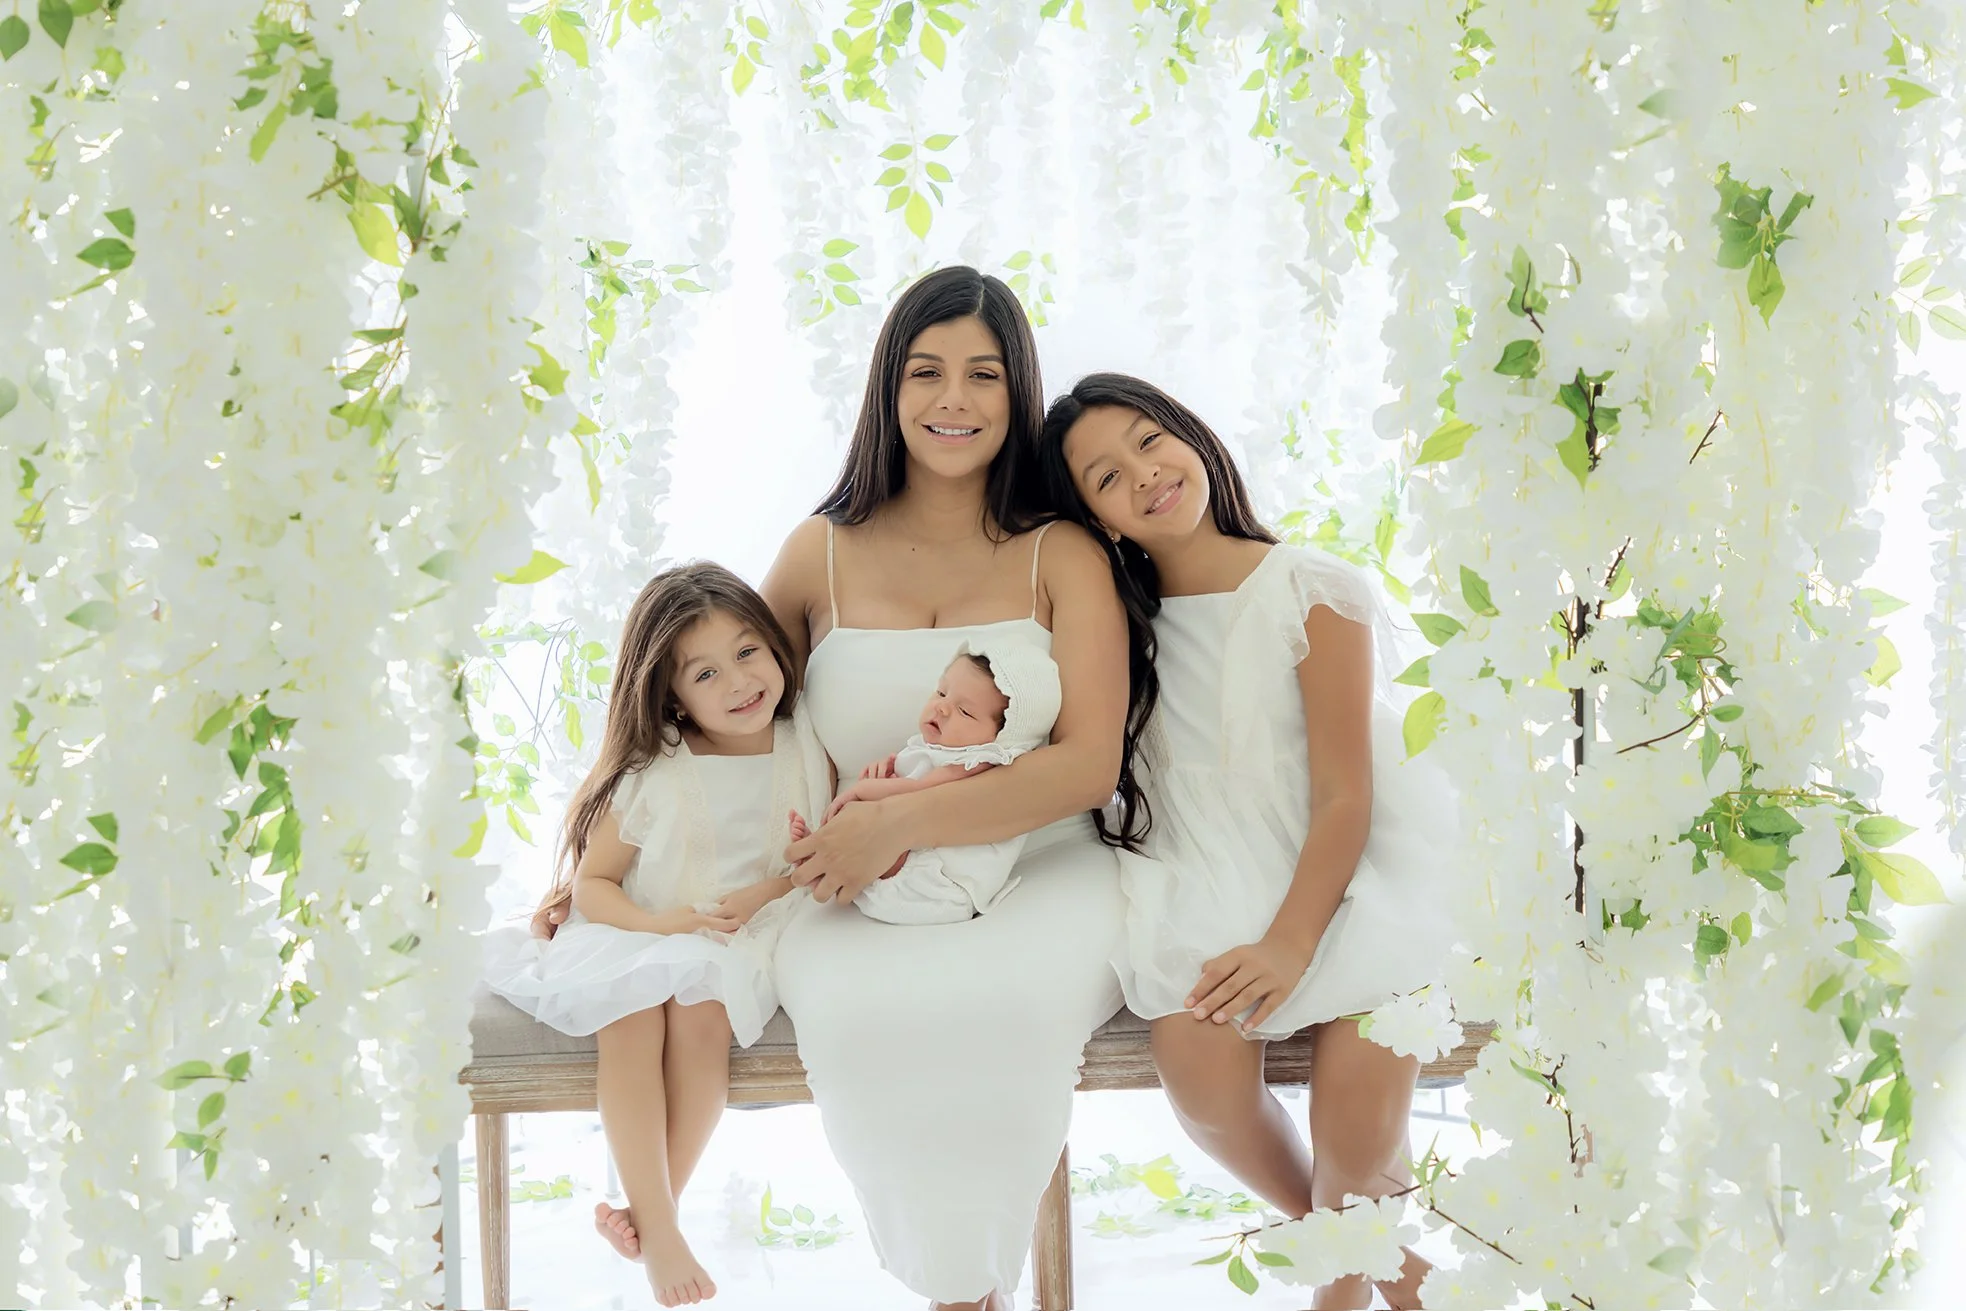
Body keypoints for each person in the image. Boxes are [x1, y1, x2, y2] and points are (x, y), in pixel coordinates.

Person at [758, 266, 1140, 1311]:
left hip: (1036, 866)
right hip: (852, 880)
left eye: (982, 375)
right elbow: (715, 716)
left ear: (1017, 395)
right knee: (863, 1017)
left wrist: (903, 825)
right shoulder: (817, 552)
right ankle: (955, 1291)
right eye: (925, 373)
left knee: (999, 1008)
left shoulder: (1061, 553)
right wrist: (609, 858)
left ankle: (968, 1295)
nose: (952, 401)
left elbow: (1085, 764)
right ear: (889, 390)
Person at [1038, 372, 1457, 1311]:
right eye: (1106, 477)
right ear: (1097, 522)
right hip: (1200, 878)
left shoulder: (1313, 588)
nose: (1143, 474)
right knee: (1207, 1095)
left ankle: (1344, 1285)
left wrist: (1290, 941)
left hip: (1345, 883)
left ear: (1191, 434)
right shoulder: (1116, 631)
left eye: (1150, 441)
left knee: (1355, 1145)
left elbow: (1348, 795)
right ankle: (1396, 1267)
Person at [483, 563, 831, 1308]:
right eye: (707, 672)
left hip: (740, 936)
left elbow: (813, 861)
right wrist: (659, 924)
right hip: (641, 926)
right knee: (632, 1011)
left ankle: (650, 1214)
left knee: (699, 1007)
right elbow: (595, 885)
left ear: (774, 644)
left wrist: (757, 896)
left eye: (748, 651)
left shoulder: (808, 747)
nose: (740, 680)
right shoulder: (657, 770)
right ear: (671, 695)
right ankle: (661, 1228)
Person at [791, 637, 1063, 924]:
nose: (942, 708)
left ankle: (823, 855)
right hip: (911, 863)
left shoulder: (980, 762)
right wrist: (888, 777)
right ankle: (824, 859)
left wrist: (865, 790)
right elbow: (908, 791)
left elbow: (918, 791)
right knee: (869, 827)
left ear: (1003, 737)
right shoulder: (936, 750)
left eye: (965, 711)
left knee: (871, 821)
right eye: (941, 692)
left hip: (944, 882)